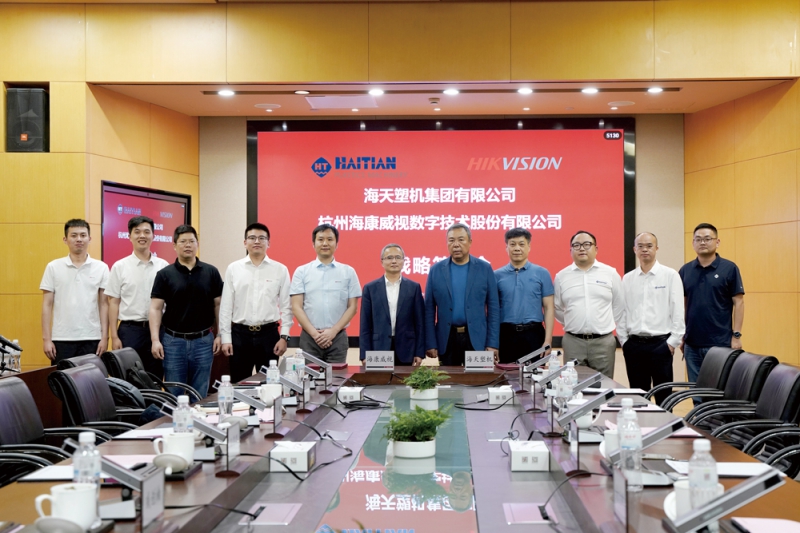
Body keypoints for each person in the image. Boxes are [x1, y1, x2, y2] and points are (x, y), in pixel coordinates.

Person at [149, 225, 223, 399]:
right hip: (173, 342)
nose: (188, 245)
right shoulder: (164, 274)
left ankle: (198, 418)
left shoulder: (211, 272)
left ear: (197, 244)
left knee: (199, 394)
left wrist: (220, 334)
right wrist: (155, 340)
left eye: (191, 241)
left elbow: (219, 305)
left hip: (204, 341)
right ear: (174, 245)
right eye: (183, 241)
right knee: (173, 393)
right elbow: (155, 308)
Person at [219, 223, 293, 382]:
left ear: (269, 242)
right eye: (252, 238)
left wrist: (284, 337)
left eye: (261, 238)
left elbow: (287, 306)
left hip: (269, 335)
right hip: (240, 335)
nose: (257, 241)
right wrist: (226, 339)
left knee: (269, 384)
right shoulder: (234, 268)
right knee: (239, 383)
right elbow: (226, 307)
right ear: (245, 242)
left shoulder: (280, 269)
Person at [621, 232, 685, 405]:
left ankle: (665, 424)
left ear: (656, 248)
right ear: (634, 249)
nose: (645, 250)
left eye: (649, 246)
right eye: (640, 246)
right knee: (638, 398)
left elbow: (678, 311)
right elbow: (622, 312)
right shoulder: (628, 279)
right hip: (634, 346)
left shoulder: (670, 275)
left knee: (664, 397)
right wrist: (624, 341)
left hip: (661, 345)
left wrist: (672, 342)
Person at [424, 223, 500, 366]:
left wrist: (492, 343)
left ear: (470, 242)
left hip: (477, 339)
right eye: (451, 240)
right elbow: (429, 310)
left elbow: (494, 308)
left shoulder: (484, 268)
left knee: (477, 378)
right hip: (447, 339)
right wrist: (431, 342)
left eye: (461, 240)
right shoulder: (436, 270)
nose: (456, 245)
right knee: (448, 379)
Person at [554, 230, 626, 378]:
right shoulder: (561, 276)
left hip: (603, 342)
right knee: (572, 385)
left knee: (604, 385)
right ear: (570, 250)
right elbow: (556, 308)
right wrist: (573, 321)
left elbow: (619, 305)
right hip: (573, 342)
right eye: (576, 245)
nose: (581, 248)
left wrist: (602, 322)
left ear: (596, 249)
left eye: (587, 244)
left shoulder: (610, 273)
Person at [679, 222, 744, 383]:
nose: (702, 242)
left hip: (720, 343)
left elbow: (739, 303)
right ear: (693, 243)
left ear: (717, 242)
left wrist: (736, 335)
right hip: (692, 343)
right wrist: (682, 335)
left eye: (707, 239)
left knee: (717, 390)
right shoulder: (685, 270)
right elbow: (683, 305)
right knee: (696, 390)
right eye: (698, 239)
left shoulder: (729, 268)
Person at [106, 216, 169, 377]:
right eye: (137, 232)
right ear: (129, 236)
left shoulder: (163, 266)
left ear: (153, 236)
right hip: (130, 331)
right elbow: (113, 303)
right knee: (130, 378)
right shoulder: (120, 266)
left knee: (155, 377)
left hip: (158, 330)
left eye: (147, 232)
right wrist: (114, 336)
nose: (142, 236)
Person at [40, 219, 109, 364]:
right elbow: (47, 304)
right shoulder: (53, 267)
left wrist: (104, 338)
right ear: (65, 239)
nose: (79, 239)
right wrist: (46, 339)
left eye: (83, 235)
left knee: (92, 378)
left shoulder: (101, 267)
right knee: (63, 378)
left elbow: (104, 304)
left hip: (92, 338)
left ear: (89, 239)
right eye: (74, 235)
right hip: (62, 338)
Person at [290, 224, 361, 363]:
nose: (325, 243)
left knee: (337, 376)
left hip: (338, 337)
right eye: (320, 239)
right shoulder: (301, 272)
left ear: (337, 244)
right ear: (313, 244)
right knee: (309, 377)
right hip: (309, 337)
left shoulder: (348, 272)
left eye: (330, 239)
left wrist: (333, 331)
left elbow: (353, 307)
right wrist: (315, 334)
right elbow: (296, 307)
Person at [494, 228, 554, 363]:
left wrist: (548, 340)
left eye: (521, 244)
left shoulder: (542, 273)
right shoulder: (496, 275)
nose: (517, 248)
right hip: (506, 335)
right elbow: (493, 311)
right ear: (506, 247)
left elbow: (549, 307)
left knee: (536, 374)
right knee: (506, 374)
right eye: (512, 244)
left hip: (534, 334)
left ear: (529, 247)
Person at [359, 243, 425, 366]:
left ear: (404, 261)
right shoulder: (370, 288)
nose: (394, 261)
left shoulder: (414, 287)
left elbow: (420, 323)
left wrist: (419, 352)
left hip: (407, 348)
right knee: (380, 379)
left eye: (398, 257)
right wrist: (364, 354)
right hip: (378, 348)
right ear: (382, 262)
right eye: (389, 258)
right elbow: (365, 325)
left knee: (405, 379)